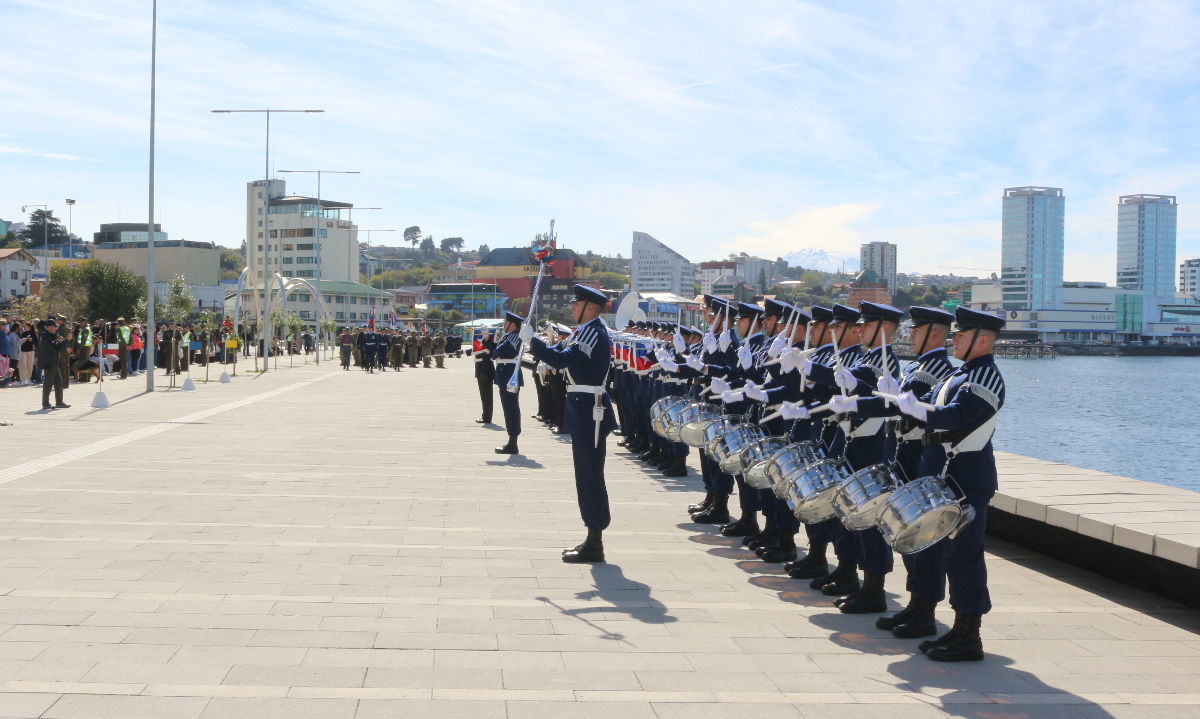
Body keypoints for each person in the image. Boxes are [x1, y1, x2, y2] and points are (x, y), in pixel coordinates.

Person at [895, 306, 1007, 662]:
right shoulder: (958, 376)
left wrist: (915, 408)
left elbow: (959, 416)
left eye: (961, 334)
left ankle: (968, 634)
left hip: (966, 479)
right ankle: (940, 620)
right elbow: (930, 408)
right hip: (944, 476)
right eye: (955, 334)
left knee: (964, 558)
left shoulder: (985, 376)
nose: (954, 339)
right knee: (939, 552)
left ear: (984, 339)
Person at [524, 284, 616, 563]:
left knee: (589, 473)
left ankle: (595, 541)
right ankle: (592, 536)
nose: (572, 308)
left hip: (591, 410)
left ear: (590, 307)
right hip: (582, 407)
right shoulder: (585, 331)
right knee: (585, 473)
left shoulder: (593, 332)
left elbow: (562, 359)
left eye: (576, 304)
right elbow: (558, 356)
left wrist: (534, 342)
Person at [492, 312, 525, 454]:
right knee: (509, 408)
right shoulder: (509, 336)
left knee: (511, 408)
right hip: (505, 373)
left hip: (509, 373)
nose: (504, 324)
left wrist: (493, 348)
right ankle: (512, 441)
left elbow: (496, 352)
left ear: (513, 324)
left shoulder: (514, 336)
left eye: (506, 322)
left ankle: (513, 443)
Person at [37, 319, 70, 410]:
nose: (55, 328)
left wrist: (60, 340)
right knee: (48, 383)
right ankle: (45, 403)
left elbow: (56, 345)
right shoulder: (45, 336)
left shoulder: (52, 335)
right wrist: (65, 340)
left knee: (59, 383)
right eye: (53, 327)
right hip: (48, 363)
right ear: (48, 328)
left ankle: (59, 402)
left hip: (54, 363)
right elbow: (55, 348)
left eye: (55, 327)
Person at [474, 328, 496, 424]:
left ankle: (487, 417)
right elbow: (477, 351)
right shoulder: (483, 343)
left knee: (486, 395)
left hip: (485, 370)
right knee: (484, 395)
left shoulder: (490, 342)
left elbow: (490, 350)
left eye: (484, 332)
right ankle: (485, 415)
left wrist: (487, 339)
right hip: (480, 369)